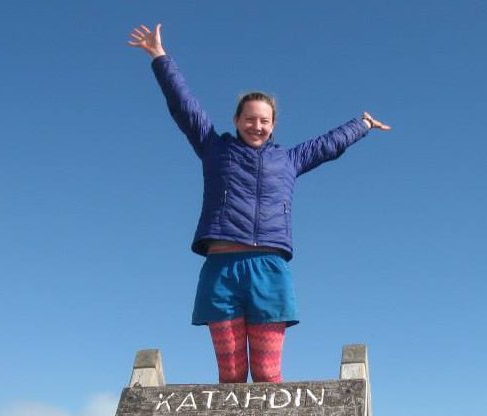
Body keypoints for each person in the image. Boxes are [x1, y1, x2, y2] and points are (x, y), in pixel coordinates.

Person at [128, 24, 390, 384]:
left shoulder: (290, 159)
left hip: (269, 268)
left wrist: (361, 124)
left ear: (274, 124)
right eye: (249, 118)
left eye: (264, 120)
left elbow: (329, 144)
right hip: (222, 269)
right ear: (236, 120)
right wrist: (160, 58)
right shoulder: (214, 148)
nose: (257, 125)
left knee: (267, 374)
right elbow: (183, 106)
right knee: (232, 376)